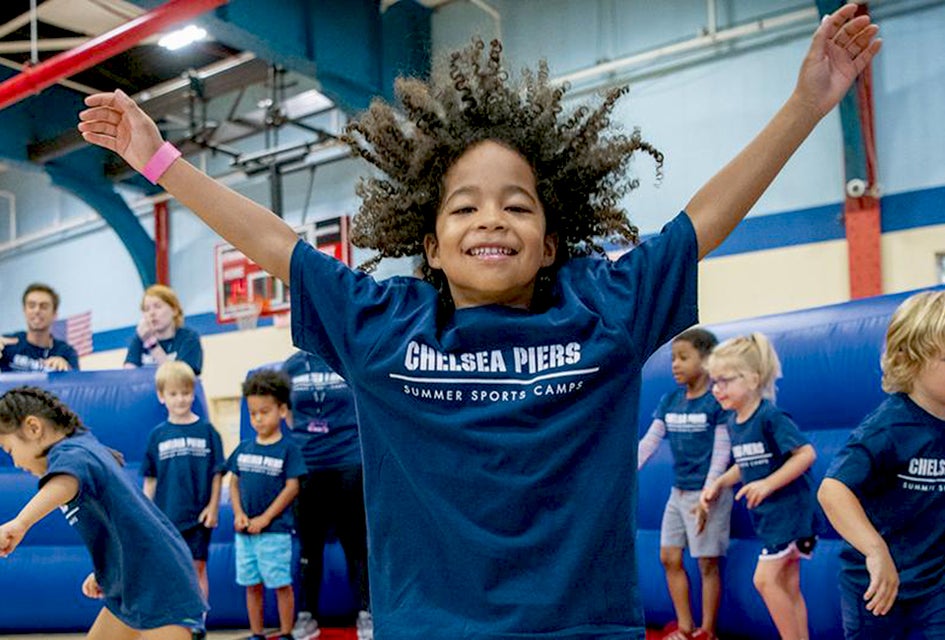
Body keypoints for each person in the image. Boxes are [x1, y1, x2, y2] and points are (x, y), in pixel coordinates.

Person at [77, 6, 880, 638]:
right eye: (463, 206)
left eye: (516, 205)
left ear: (550, 240)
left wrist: (807, 104)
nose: (489, 219)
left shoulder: (603, 307)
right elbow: (273, 241)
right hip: (429, 627)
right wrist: (160, 164)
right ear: (428, 243)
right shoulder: (380, 323)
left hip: (580, 629)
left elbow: (702, 218)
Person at [0, 386, 206, 639]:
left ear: (33, 427)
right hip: (131, 580)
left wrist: (21, 523)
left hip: (160, 580)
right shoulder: (84, 446)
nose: (16, 463)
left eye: (10, 450)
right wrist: (108, 571)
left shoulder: (73, 454)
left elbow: (67, 480)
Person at [817, 290, 945, 639]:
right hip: (876, 585)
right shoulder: (889, 426)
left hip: (934, 583)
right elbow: (832, 490)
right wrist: (875, 550)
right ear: (909, 359)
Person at [700, 333, 817, 640]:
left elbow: (805, 454)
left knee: (764, 580)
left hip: (791, 515)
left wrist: (767, 484)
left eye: (725, 380)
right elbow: (747, 462)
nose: (717, 389)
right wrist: (721, 483)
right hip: (772, 518)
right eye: (714, 381)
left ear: (752, 380)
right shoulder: (736, 421)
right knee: (789, 585)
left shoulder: (770, 416)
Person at [637, 327, 731, 640]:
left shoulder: (716, 401)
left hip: (707, 493)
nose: (675, 364)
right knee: (669, 557)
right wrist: (624, 470)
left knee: (706, 564)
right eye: (673, 358)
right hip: (678, 493)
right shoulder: (670, 400)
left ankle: (707, 631)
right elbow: (650, 442)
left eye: (683, 358)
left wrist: (710, 489)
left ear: (705, 361)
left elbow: (721, 452)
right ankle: (685, 627)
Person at [282, 350, 370, 640]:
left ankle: (366, 612)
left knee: (355, 543)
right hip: (307, 464)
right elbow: (281, 408)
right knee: (310, 547)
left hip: (348, 459)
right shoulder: (292, 367)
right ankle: (308, 614)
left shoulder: (345, 355)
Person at [142, 360, 224, 637]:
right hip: (166, 517)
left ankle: (198, 621)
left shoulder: (208, 432)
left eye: (186, 393)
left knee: (197, 567)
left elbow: (217, 473)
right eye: (174, 394)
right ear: (162, 396)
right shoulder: (157, 436)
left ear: (194, 393)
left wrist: (213, 507)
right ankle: (175, 620)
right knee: (171, 570)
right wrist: (146, 514)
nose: (181, 399)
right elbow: (150, 479)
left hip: (198, 515)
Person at [227, 370, 307, 640]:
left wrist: (265, 518)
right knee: (252, 585)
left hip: (275, 533)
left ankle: (286, 633)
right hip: (245, 534)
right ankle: (256, 634)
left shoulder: (288, 449)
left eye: (265, 411)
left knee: (280, 584)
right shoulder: (244, 448)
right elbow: (234, 482)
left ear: (282, 410)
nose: (258, 419)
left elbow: (292, 487)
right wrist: (239, 513)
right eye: (253, 413)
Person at [125, 284, 203, 375]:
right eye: (147, 309)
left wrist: (151, 344)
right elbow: (128, 376)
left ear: (174, 310)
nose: (152, 313)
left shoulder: (188, 338)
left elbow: (179, 379)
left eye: (158, 307)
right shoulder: (140, 338)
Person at [0, 283, 80, 373]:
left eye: (44, 306)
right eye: (31, 305)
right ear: (24, 311)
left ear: (54, 314)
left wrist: (66, 369)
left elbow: (77, 383)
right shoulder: (7, 344)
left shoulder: (66, 352)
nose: (37, 310)